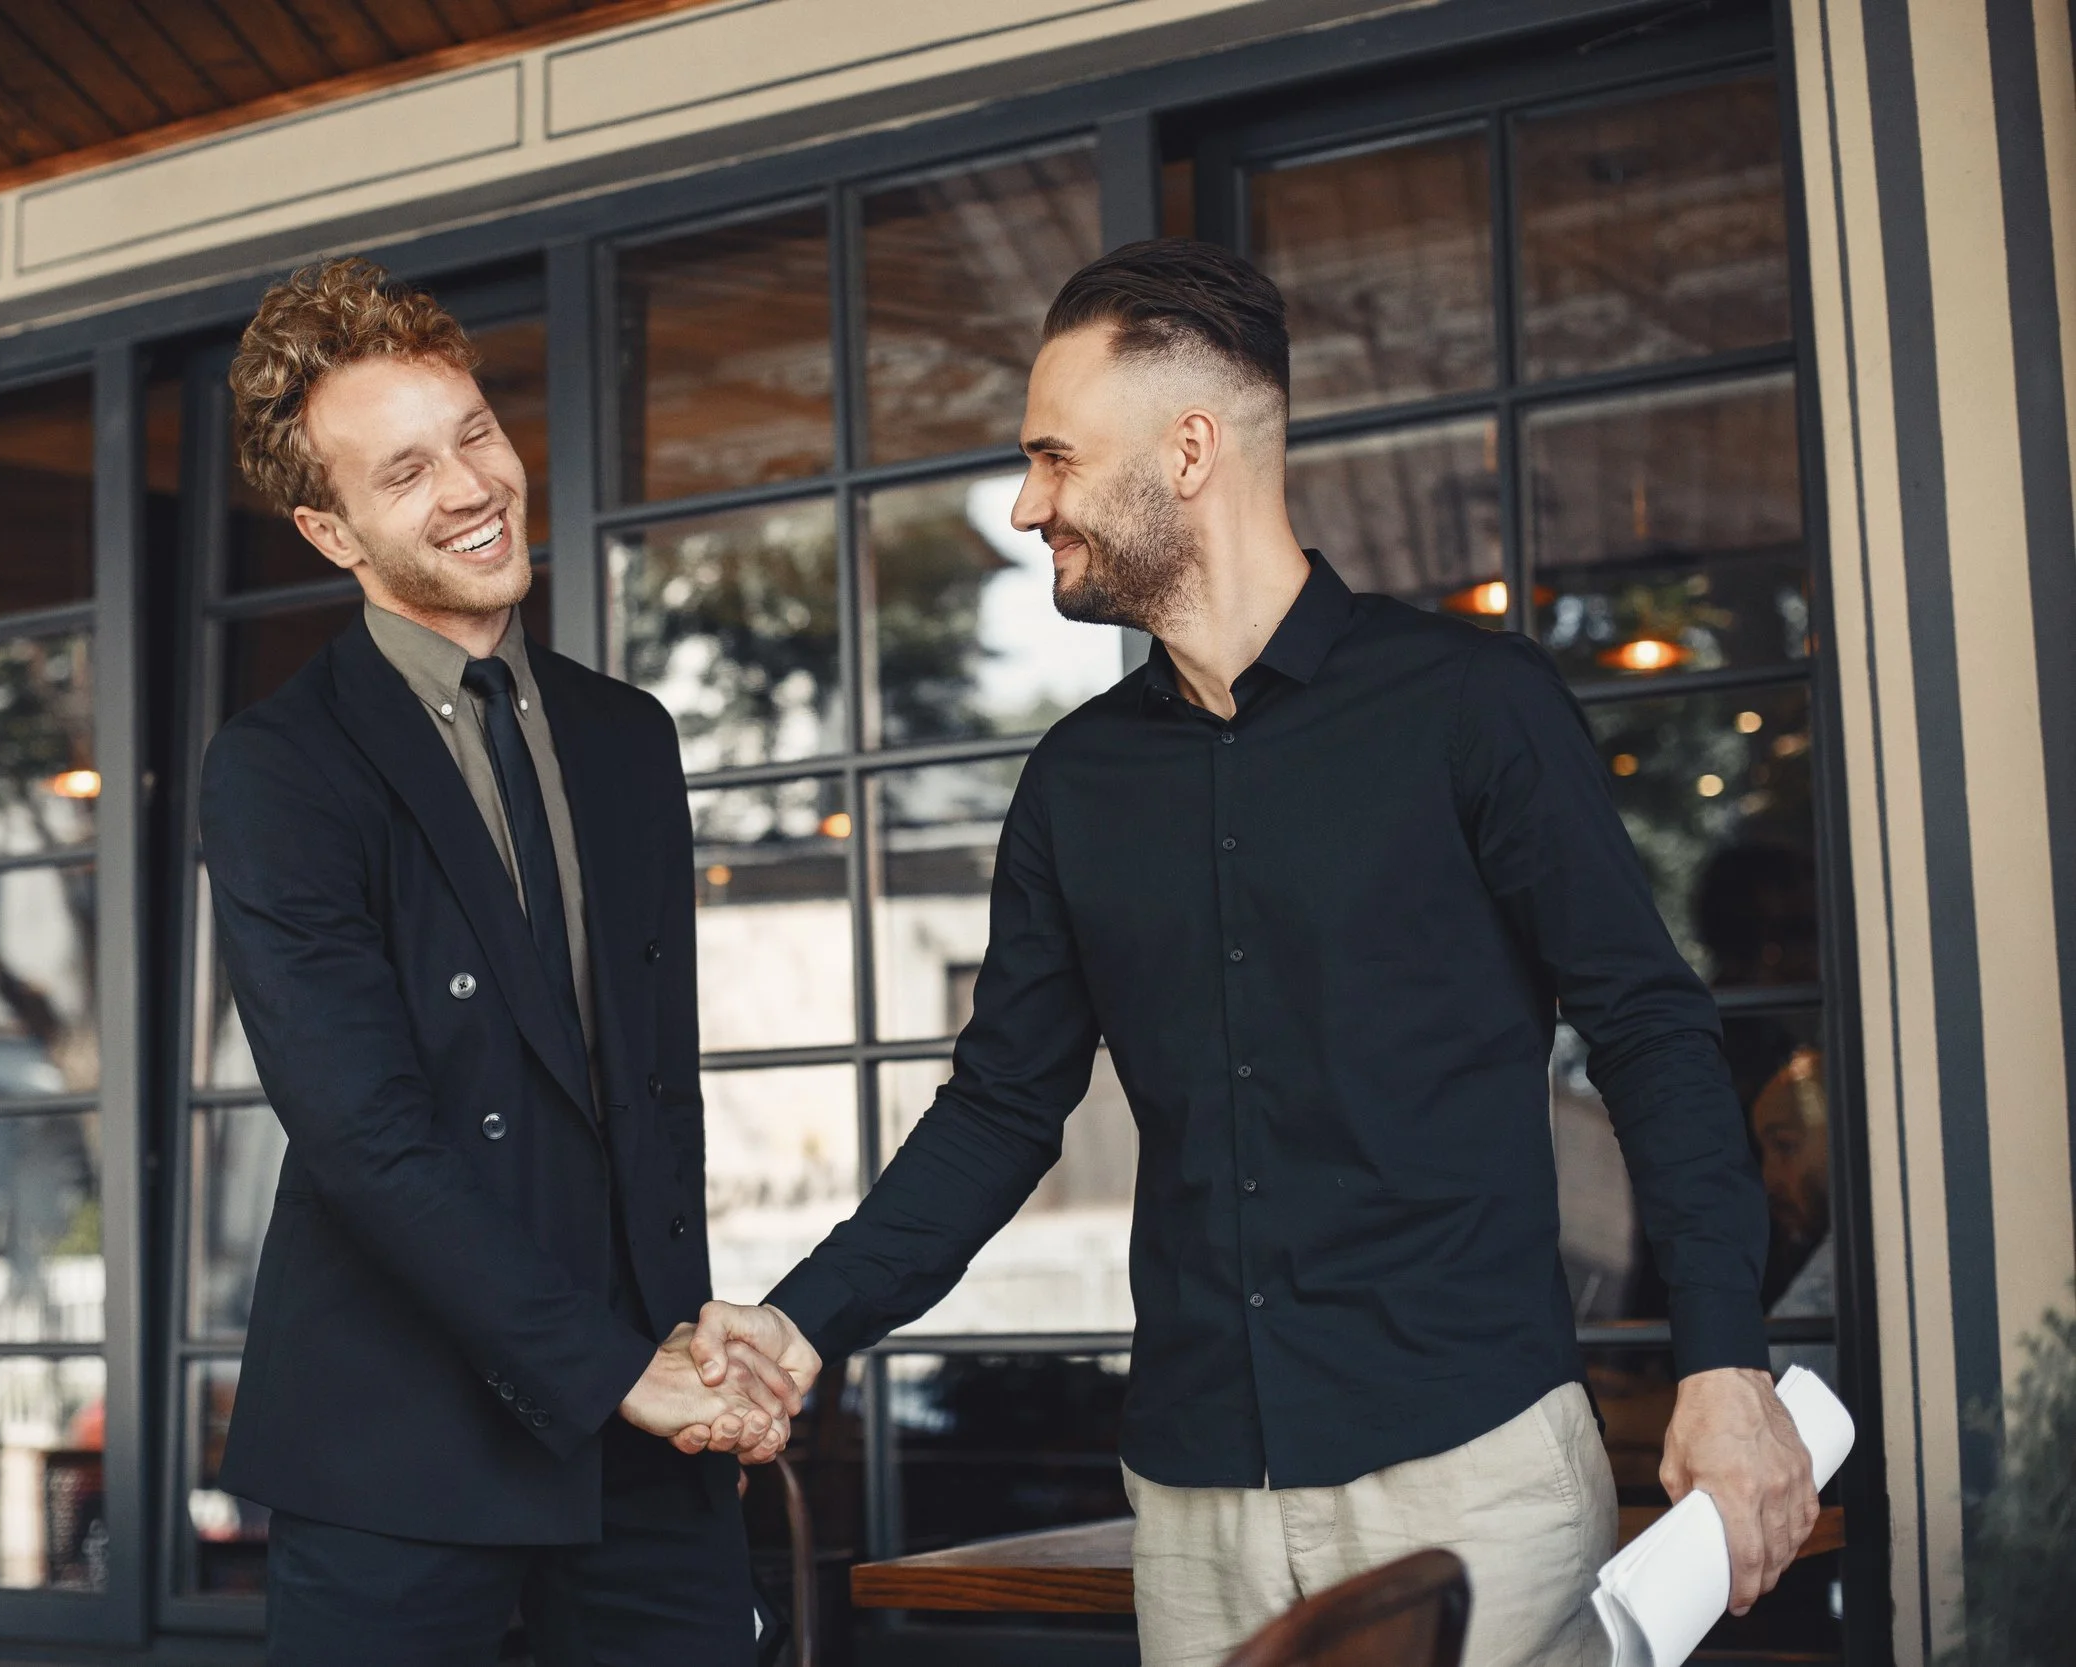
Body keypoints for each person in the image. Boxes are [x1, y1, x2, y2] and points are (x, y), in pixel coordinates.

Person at [685, 240, 1820, 1666]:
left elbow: (1651, 1026)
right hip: (1196, 1507)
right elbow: (997, 1111)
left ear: (1190, 447)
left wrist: (1723, 1359)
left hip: (1475, 1473)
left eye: (1050, 456)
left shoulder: (1472, 709)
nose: (1027, 502)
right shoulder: (1075, 786)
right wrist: (799, 1326)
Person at [199, 258, 794, 1667]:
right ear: (330, 531)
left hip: (644, 1440)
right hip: (400, 1446)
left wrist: (694, 1359)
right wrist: (620, 1373)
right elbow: (366, 1139)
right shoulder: (279, 769)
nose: (472, 485)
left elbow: (653, 1097)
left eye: (473, 431)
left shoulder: (627, 735)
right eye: (406, 470)